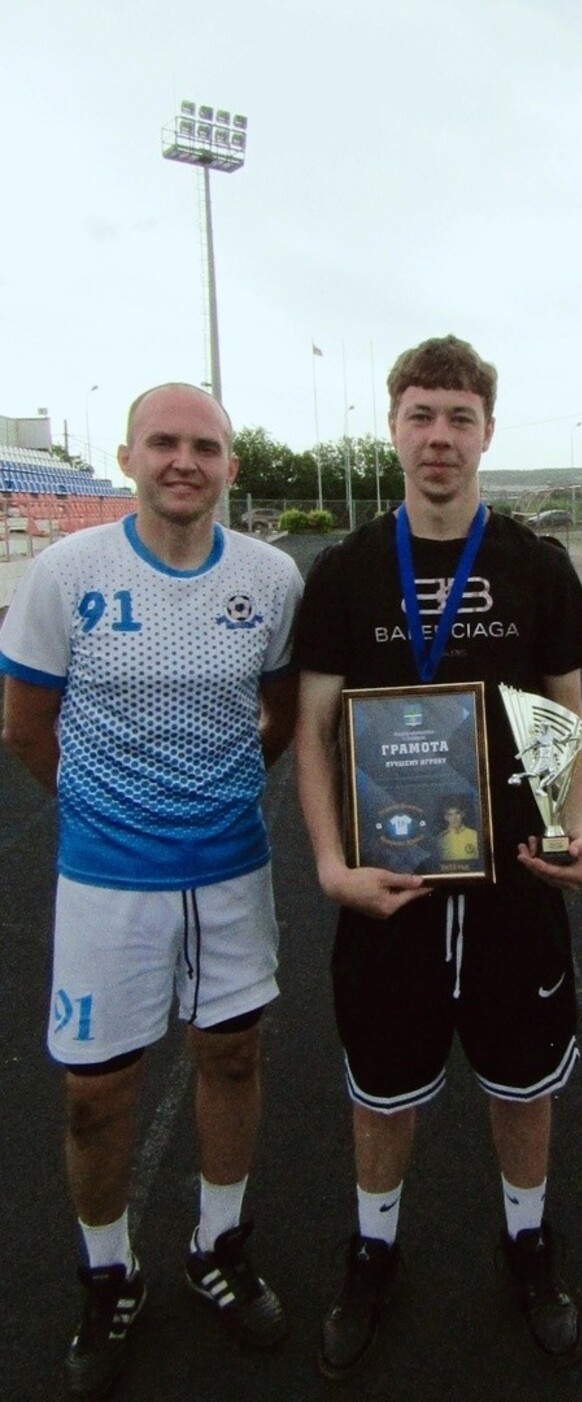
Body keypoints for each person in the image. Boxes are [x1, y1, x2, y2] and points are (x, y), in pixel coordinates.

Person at [293, 334, 582, 1379]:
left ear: (486, 433)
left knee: (523, 1078)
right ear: (392, 427)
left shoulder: (534, 564)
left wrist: (577, 821)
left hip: (513, 876)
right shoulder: (345, 570)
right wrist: (328, 865)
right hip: (389, 881)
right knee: (382, 1086)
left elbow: (569, 715)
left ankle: (528, 1239)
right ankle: (373, 1247)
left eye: (459, 418)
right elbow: (313, 735)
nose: (439, 436)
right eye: (420, 415)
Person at [0, 384, 303, 1398]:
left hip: (229, 871)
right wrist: (105, 816)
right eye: (163, 442)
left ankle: (219, 1243)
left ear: (230, 466)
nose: (184, 460)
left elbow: (279, 712)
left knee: (233, 1055)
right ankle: (108, 1271)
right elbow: (25, 727)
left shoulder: (270, 577)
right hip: (107, 881)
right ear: (128, 456)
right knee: (94, 1095)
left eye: (205, 446)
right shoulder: (67, 570)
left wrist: (217, 802)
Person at [437, 798, 479, 864]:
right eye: (450, 814)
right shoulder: (440, 839)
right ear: (446, 817)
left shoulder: (475, 835)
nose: (454, 818)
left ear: (463, 814)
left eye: (457, 813)